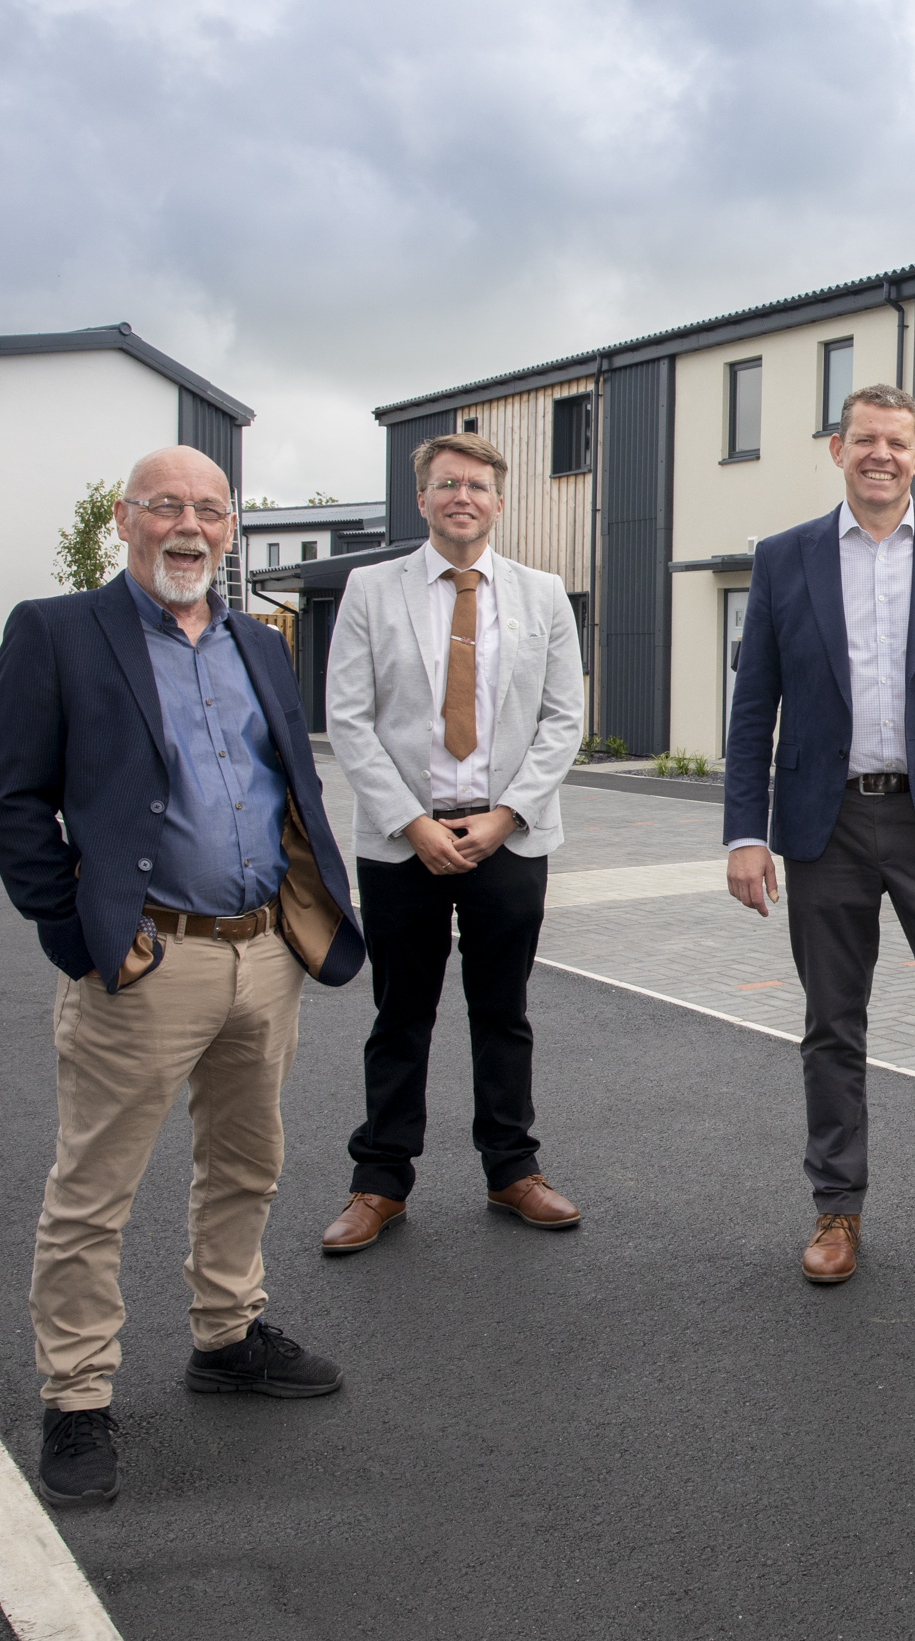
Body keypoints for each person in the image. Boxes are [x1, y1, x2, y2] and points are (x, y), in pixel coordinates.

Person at [0, 445, 368, 1508]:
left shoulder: (261, 640)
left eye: (210, 509)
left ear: (231, 529)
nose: (189, 526)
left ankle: (226, 1335)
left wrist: (297, 920)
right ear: (125, 518)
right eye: (167, 507)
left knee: (247, 1161)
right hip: (146, 959)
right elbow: (12, 802)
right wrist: (76, 934)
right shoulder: (56, 633)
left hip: (263, 952)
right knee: (94, 1191)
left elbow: (282, 778)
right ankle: (76, 1398)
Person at [722, 384, 915, 1290]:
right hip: (823, 826)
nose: (880, 456)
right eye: (864, 440)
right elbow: (754, 713)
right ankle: (836, 1209)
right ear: (837, 450)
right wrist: (746, 831)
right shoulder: (784, 559)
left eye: (896, 442)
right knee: (832, 1024)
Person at [321, 432, 586, 1253]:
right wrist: (412, 821)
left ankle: (512, 1168)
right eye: (446, 484)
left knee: (502, 1011)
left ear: (498, 502)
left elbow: (562, 719)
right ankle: (379, 1181)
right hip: (405, 839)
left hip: (508, 834)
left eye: (476, 485)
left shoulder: (543, 595)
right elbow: (349, 720)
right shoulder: (370, 589)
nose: (461, 496)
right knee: (400, 1012)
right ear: (423, 499)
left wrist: (508, 813)